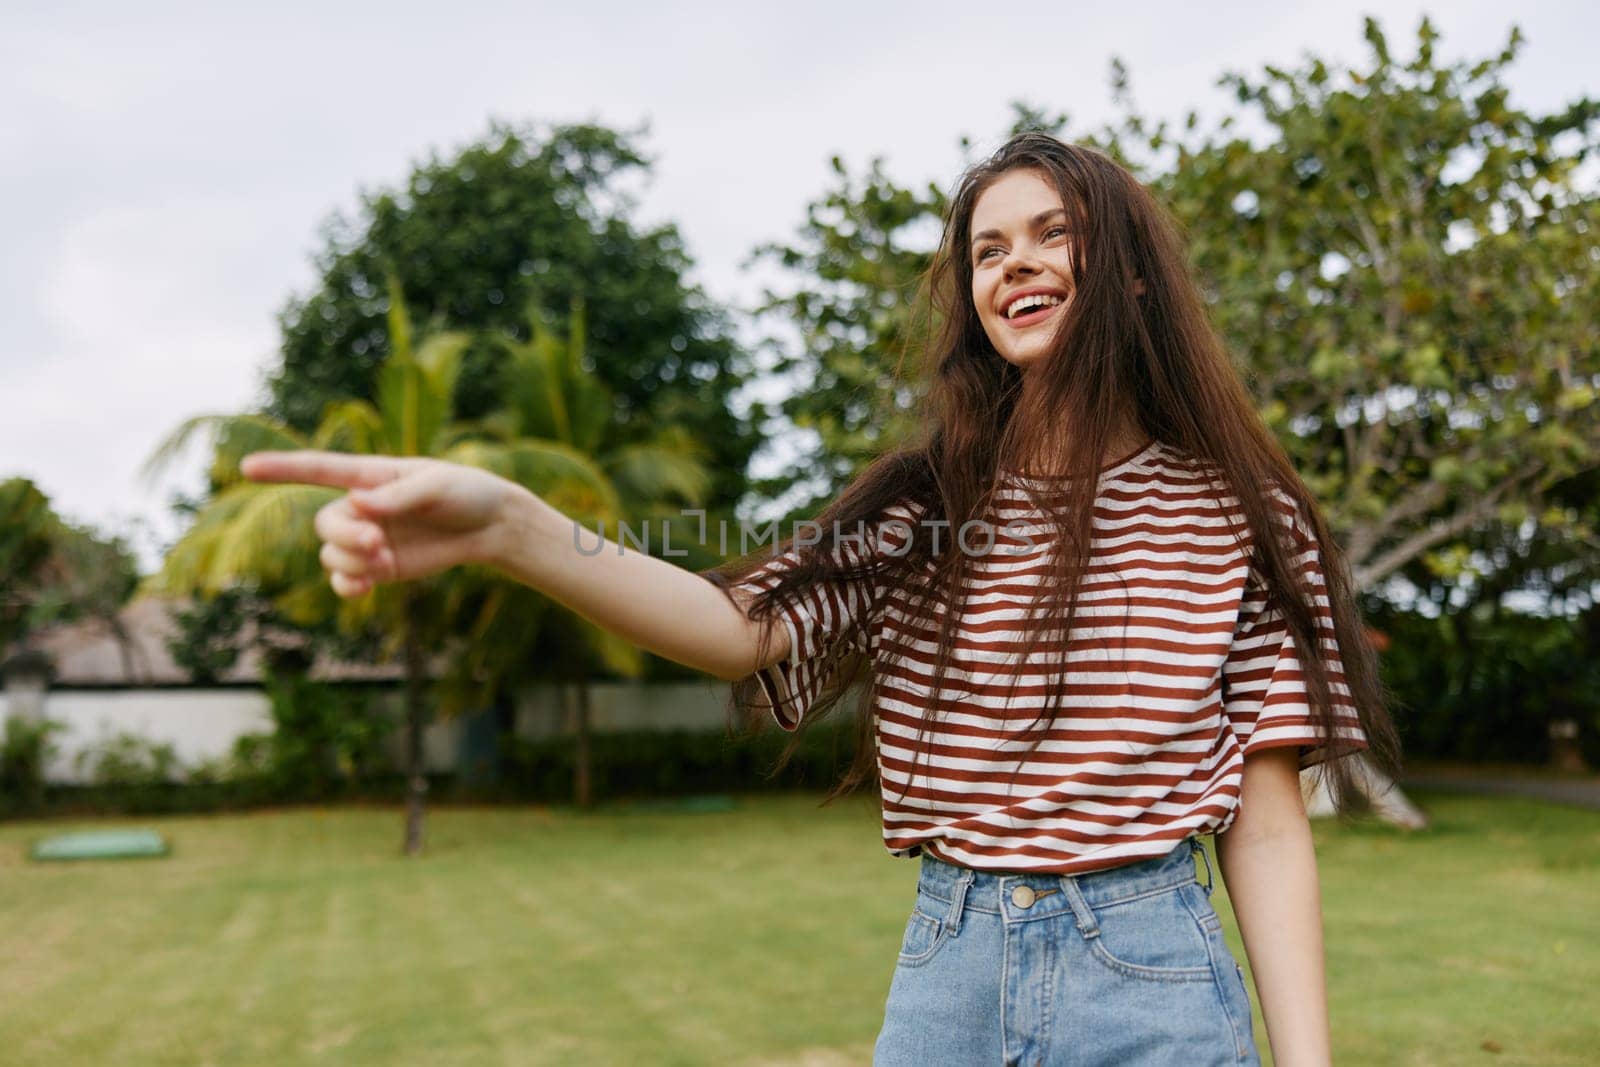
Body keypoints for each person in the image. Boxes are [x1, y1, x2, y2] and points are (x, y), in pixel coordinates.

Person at [242, 133, 1402, 1066]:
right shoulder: (921, 509)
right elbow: (738, 630)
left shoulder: (1242, 516)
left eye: (1056, 234)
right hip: (954, 962)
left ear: (1133, 273)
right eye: (987, 250)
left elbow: (1265, 818)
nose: (1017, 264)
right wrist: (515, 527)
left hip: (1154, 965)